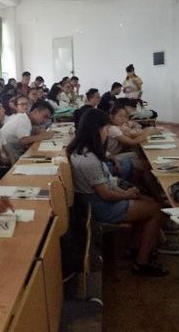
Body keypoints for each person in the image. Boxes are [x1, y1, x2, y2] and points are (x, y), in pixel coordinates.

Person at [66, 108, 167, 277]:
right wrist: (126, 195)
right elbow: (105, 194)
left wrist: (125, 191)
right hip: (99, 207)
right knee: (156, 210)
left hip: (94, 201)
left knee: (147, 202)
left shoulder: (81, 150)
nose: (107, 133)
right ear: (96, 130)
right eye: (106, 129)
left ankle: (133, 247)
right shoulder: (89, 159)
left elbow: (106, 184)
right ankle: (141, 262)